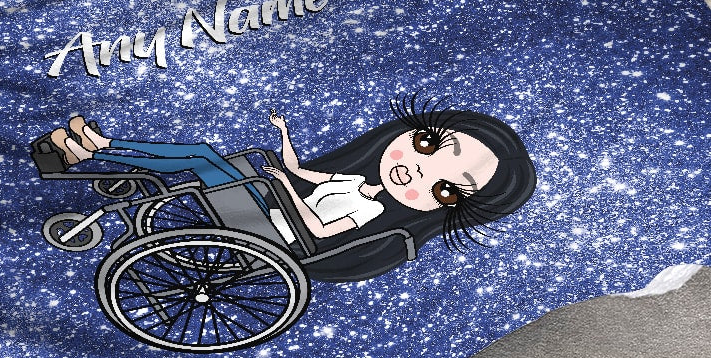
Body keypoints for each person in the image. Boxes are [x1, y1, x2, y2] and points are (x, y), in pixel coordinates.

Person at [46, 97, 537, 283]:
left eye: (446, 190)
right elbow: (300, 170)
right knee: (204, 156)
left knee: (200, 158)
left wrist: (282, 187)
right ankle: (100, 150)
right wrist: (283, 138)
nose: (416, 171)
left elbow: (320, 230)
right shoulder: (354, 180)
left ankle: (99, 150)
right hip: (266, 206)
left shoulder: (370, 216)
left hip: (273, 232)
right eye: (426, 145)